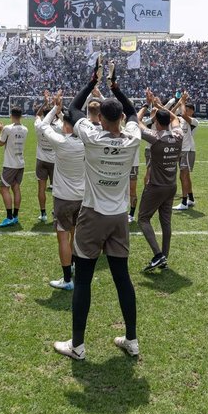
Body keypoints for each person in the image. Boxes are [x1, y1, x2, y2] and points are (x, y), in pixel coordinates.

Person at [54, 60, 142, 361]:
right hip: (119, 217)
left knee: (84, 280)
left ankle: (77, 345)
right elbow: (132, 113)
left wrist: (93, 81)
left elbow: (73, 110)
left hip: (92, 215)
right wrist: (116, 86)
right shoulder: (133, 138)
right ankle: (132, 340)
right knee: (122, 279)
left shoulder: (90, 136)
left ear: (101, 119)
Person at [35, 90, 85, 291]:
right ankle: (76, 268)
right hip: (83, 197)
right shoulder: (87, 142)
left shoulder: (61, 142)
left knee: (63, 236)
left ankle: (67, 279)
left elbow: (43, 125)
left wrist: (56, 107)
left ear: (66, 126)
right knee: (77, 235)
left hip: (64, 198)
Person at [137, 89, 184, 271]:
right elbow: (175, 119)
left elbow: (136, 122)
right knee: (166, 223)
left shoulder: (155, 137)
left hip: (156, 186)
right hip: (171, 185)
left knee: (143, 219)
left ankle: (158, 255)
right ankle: (165, 256)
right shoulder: (178, 136)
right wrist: (158, 106)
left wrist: (147, 104)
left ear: (156, 122)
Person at [0, 107, 28, 227]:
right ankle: (15, 216)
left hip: (10, 164)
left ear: (11, 115)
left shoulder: (7, 129)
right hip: (20, 163)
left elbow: (0, 143)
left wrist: (1, 130)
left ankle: (9, 217)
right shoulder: (25, 129)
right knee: (16, 188)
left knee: (3, 189)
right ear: (21, 116)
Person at [173, 92, 199, 211]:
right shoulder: (180, 119)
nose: (184, 110)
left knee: (183, 175)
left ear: (192, 111)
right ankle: (191, 199)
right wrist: (179, 103)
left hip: (188, 150)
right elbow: (171, 114)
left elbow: (183, 114)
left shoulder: (193, 121)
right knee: (185, 176)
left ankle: (184, 202)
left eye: (187, 109)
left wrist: (182, 102)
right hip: (181, 150)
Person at [34, 92, 57, 224]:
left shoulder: (39, 125)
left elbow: (37, 114)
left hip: (41, 159)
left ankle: (43, 213)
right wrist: (54, 105)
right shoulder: (58, 127)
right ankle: (55, 212)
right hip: (54, 161)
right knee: (56, 189)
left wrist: (45, 102)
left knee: (41, 188)